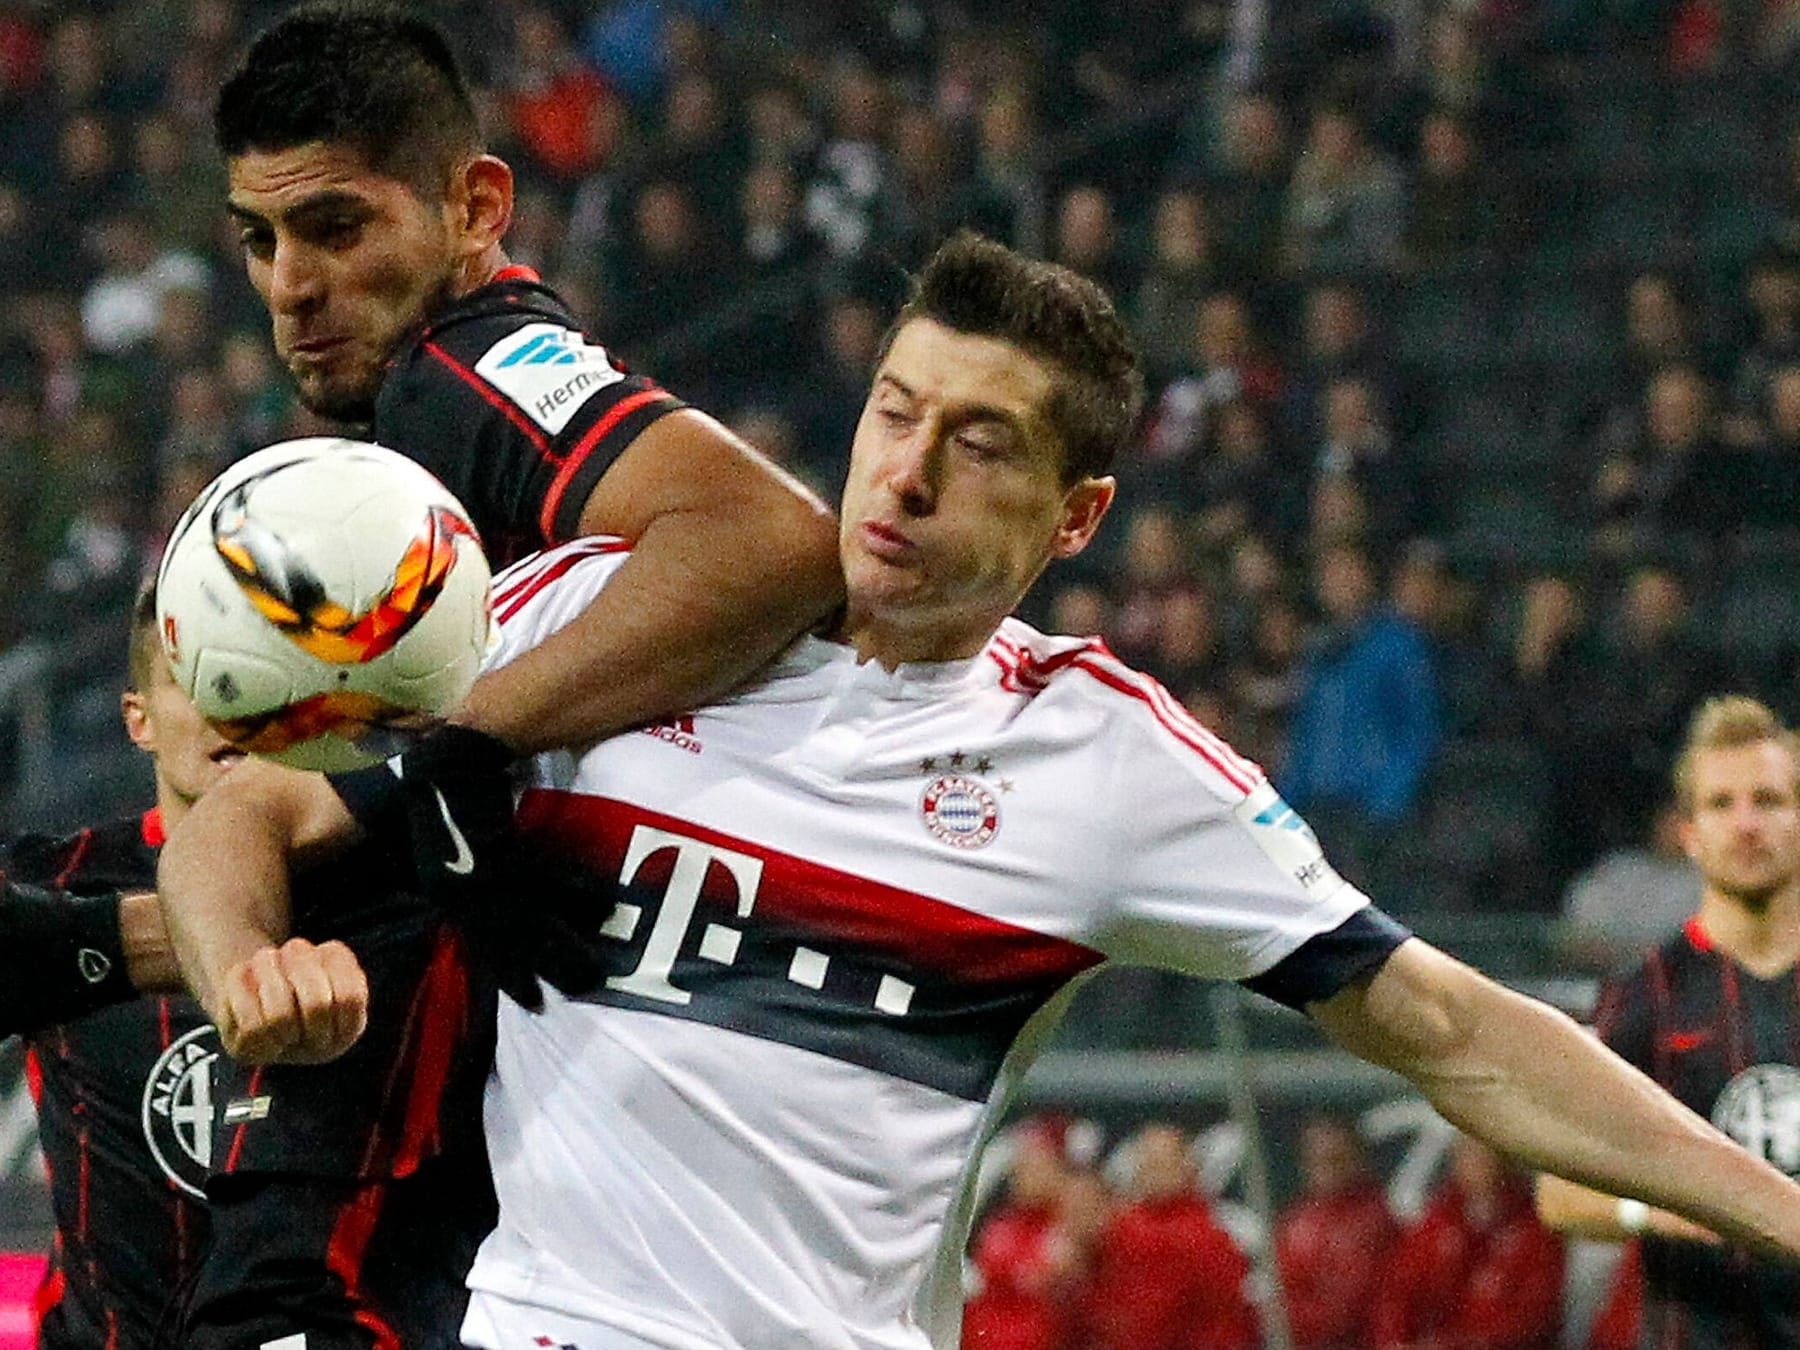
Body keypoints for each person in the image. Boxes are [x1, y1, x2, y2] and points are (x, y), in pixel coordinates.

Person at [162, 234, 1800, 1350]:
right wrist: (247, 965)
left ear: (1078, 513)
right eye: (895, 410)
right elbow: (247, 810)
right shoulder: (602, 615)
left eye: (983, 443)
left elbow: (1449, 1027)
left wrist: (1777, 1213)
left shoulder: (1104, 764)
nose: (910, 471)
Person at [213, 0, 839, 760]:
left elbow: (772, 539)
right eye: (258, 238)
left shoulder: (453, 375)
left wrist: (451, 748)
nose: (288, 286)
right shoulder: (480, 358)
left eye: (336, 229)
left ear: (476, 209)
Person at [1538, 695, 1800, 1348]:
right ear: (1688, 832)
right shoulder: (1644, 996)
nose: (1747, 824)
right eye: (1721, 804)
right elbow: (1559, 1192)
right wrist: (1672, 1208)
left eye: (1767, 800)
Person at [3, 586, 209, 1348]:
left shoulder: (391, 887)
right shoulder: (55, 885)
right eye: (202, 679)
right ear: (138, 718)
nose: (233, 708)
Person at [1374, 1134, 1565, 1350]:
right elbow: (1399, 1291)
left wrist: (1454, 1346)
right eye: (1468, 1154)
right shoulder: (1438, 1221)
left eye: (1487, 1156)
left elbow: (1530, 1319)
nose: (1478, 1164)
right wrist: (1396, 1341)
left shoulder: (1536, 1232)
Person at [1274, 1111, 1398, 1350]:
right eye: (1315, 1160)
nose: (1324, 1170)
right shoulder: (1296, 1217)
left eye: (1335, 1159)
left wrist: (1287, 1315)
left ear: (1358, 1160)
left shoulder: (1371, 1222)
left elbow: (1345, 1308)